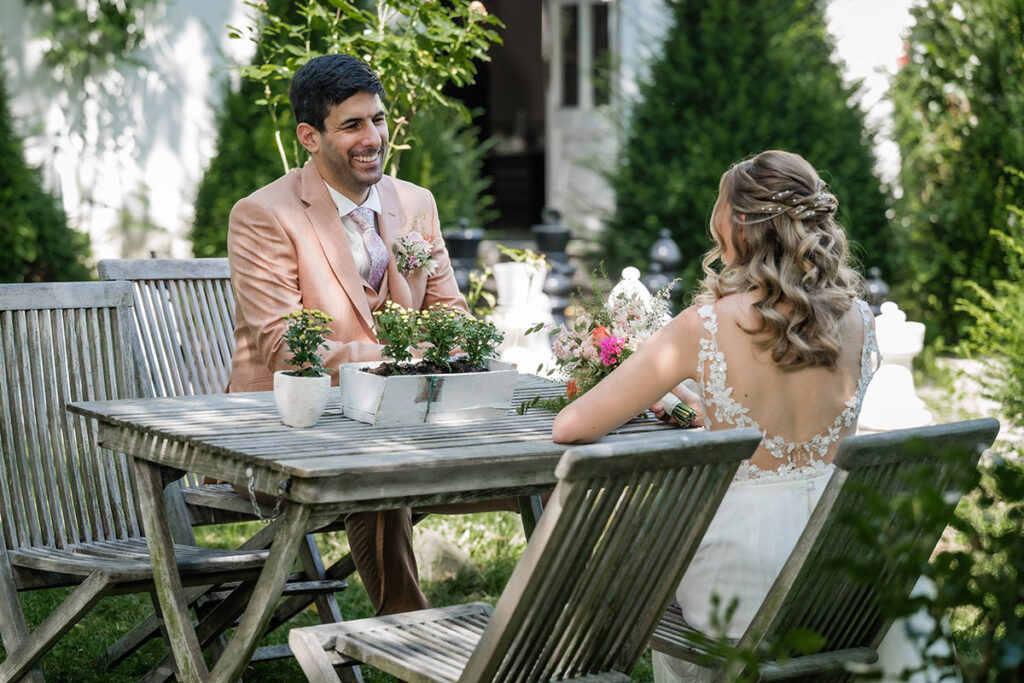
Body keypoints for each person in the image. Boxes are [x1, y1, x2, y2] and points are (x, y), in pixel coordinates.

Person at [552, 150, 880, 682]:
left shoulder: (702, 325)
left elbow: (570, 426)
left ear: (742, 224)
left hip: (741, 577)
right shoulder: (862, 318)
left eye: (720, 206)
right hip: (844, 566)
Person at [227, 54, 466, 615]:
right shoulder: (264, 214)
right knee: (378, 474)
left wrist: (448, 353)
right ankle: (411, 641)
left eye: (378, 120)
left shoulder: (414, 203)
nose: (373, 137)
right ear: (309, 136)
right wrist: (406, 359)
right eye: (353, 125)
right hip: (285, 432)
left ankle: (551, 631)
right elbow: (289, 348)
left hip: (404, 420)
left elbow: (453, 319)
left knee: (555, 468)